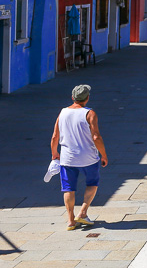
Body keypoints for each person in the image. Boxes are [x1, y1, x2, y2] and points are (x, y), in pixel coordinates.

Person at [50, 84, 108, 231]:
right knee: (92, 183)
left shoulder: (62, 112)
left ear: (72, 98)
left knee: (68, 188)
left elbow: (55, 136)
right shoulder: (90, 113)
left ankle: (70, 220)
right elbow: (96, 137)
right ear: (87, 98)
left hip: (67, 158)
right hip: (88, 157)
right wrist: (104, 155)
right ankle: (83, 212)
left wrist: (54, 153)